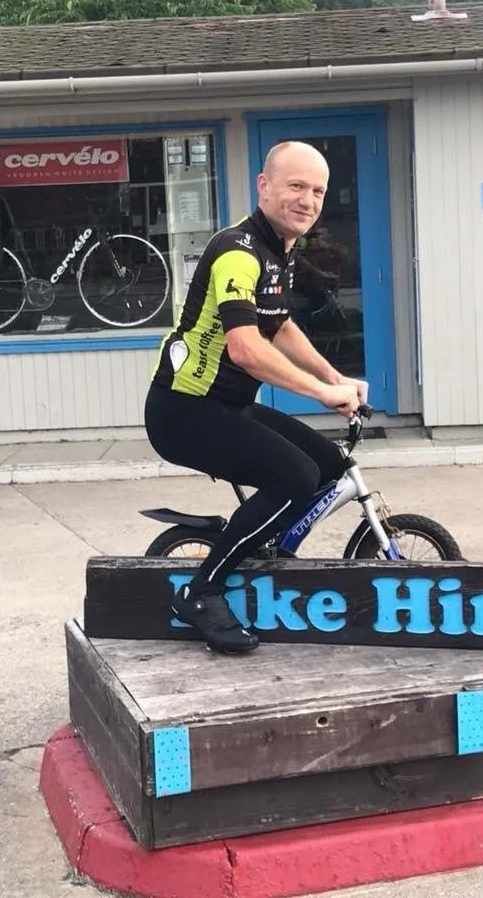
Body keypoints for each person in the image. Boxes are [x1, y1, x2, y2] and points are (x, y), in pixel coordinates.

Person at [144, 141, 367, 654]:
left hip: (228, 404)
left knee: (327, 464)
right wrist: (322, 393)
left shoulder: (280, 251)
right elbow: (245, 349)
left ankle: (261, 542)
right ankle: (203, 592)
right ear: (264, 187)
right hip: (184, 410)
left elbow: (279, 326)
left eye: (317, 191)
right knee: (295, 477)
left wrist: (337, 376)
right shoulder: (238, 254)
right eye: (295, 186)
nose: (308, 200)